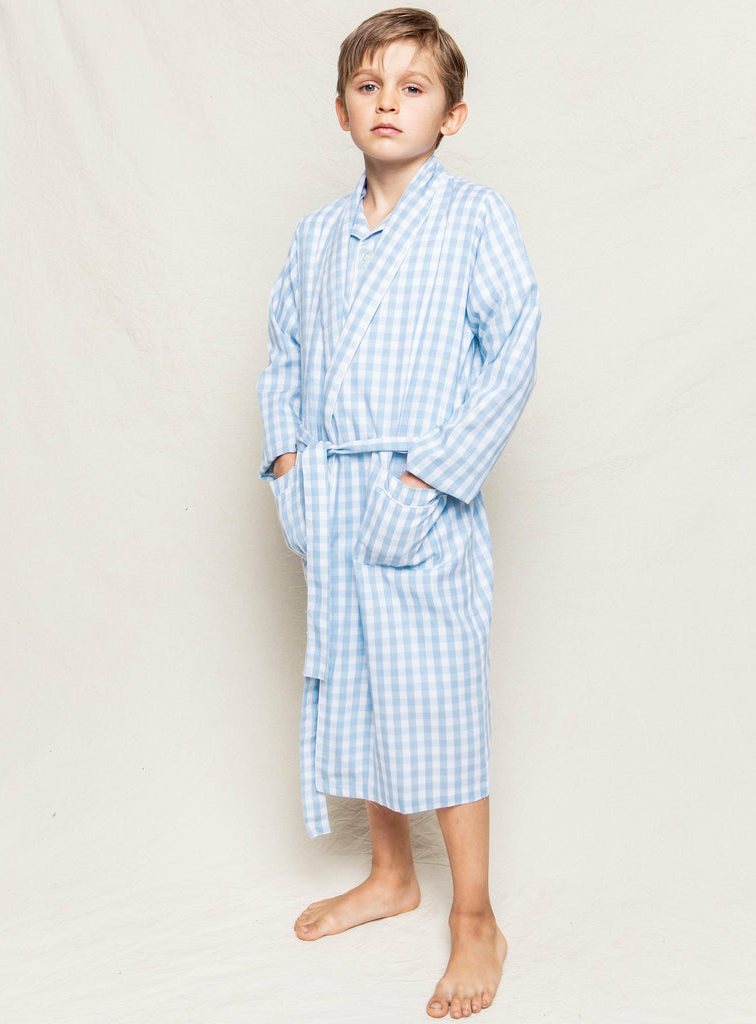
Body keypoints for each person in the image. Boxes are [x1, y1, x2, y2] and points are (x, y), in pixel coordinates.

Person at [257, 8, 539, 1018]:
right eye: (369, 86)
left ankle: (475, 915)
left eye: (413, 87)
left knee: (438, 699)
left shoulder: (475, 219)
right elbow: (285, 354)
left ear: (451, 114)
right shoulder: (316, 237)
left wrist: (430, 480)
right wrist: (289, 465)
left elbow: (513, 353)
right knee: (364, 685)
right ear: (341, 111)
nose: (388, 103)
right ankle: (390, 875)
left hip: (422, 490)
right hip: (333, 491)